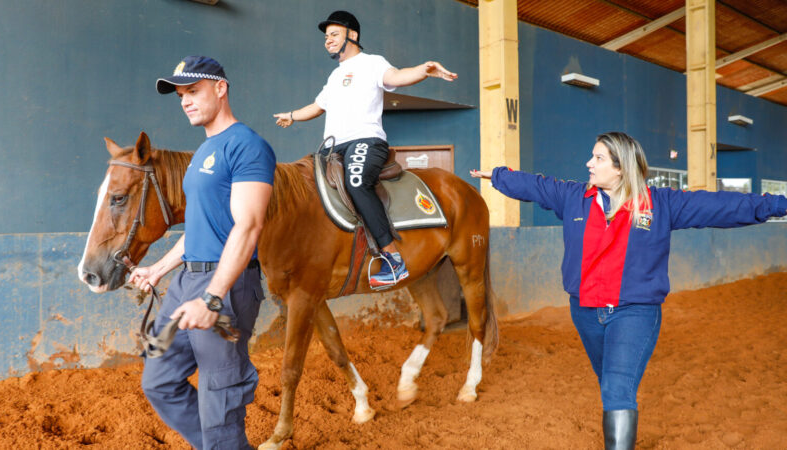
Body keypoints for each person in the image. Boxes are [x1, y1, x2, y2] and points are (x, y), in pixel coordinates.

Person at [471, 132, 787, 450]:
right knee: (609, 383)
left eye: (598, 158)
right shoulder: (572, 198)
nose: (588, 164)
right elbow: (535, 186)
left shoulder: (661, 204)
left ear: (621, 168)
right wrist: (498, 176)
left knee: (617, 388)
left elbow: (722, 206)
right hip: (585, 312)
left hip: (635, 311)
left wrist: (779, 205)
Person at [129, 55, 276, 449]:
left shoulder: (248, 146)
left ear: (220, 88)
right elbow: (198, 229)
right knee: (157, 378)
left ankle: (222, 441)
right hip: (184, 282)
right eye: (181, 95)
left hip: (225, 286)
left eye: (193, 91)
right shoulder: (202, 156)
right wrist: (158, 269)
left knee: (220, 395)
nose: (185, 101)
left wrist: (212, 298)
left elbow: (249, 226)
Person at [273, 10, 457, 288]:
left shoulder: (371, 63)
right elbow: (317, 106)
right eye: (326, 37)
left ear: (353, 35)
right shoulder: (334, 77)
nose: (328, 41)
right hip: (331, 150)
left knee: (356, 182)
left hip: (365, 142)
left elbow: (397, 75)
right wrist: (292, 114)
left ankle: (393, 259)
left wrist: (423, 70)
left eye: (334, 34)